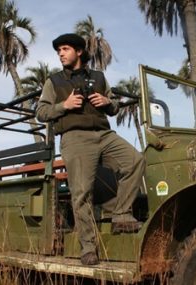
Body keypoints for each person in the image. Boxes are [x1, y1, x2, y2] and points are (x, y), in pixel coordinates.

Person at [36, 33, 145, 266]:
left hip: (104, 134)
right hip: (75, 138)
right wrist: (63, 106)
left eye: (65, 49)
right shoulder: (53, 81)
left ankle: (121, 214)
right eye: (59, 51)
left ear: (79, 52)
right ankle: (88, 248)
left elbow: (114, 105)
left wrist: (107, 103)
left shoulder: (98, 77)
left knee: (134, 160)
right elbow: (41, 112)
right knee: (82, 192)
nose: (61, 54)